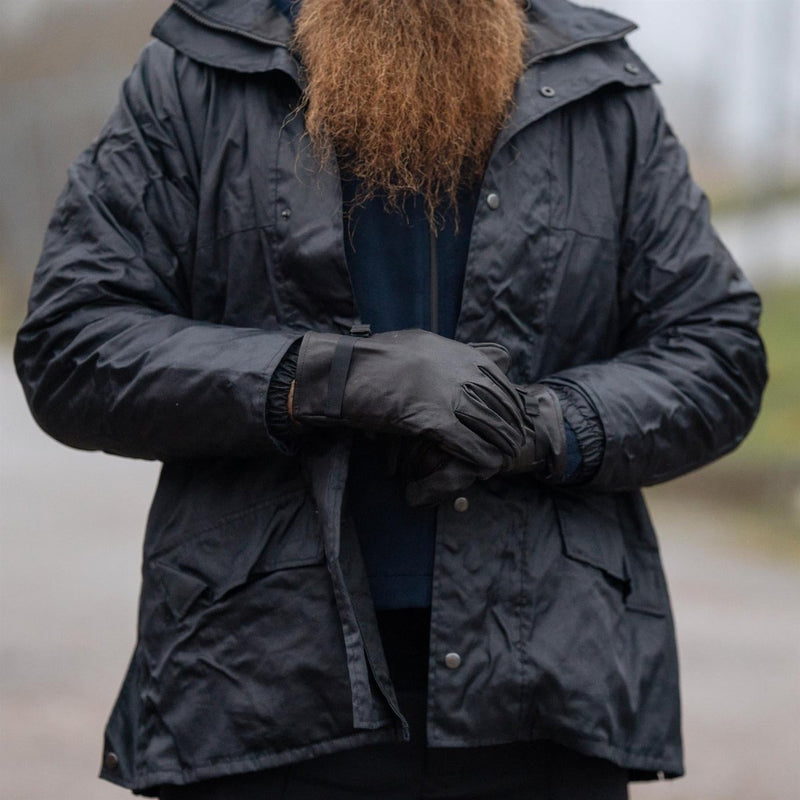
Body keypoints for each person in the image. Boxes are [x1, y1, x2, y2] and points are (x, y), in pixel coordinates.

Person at [14, 0, 767, 798]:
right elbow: (73, 345)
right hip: (256, 685)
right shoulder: (197, 71)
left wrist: (542, 426)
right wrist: (336, 378)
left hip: (546, 691)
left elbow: (718, 352)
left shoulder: (600, 88)